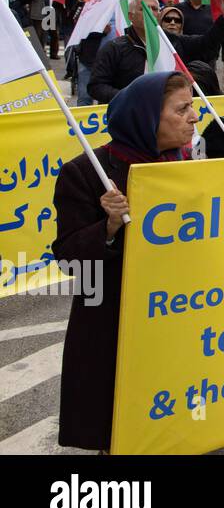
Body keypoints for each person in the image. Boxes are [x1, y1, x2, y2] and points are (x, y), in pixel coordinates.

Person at [52, 72, 199, 451]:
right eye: (182, 109)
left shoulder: (184, 164)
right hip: (115, 323)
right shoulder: (85, 173)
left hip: (177, 315)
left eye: (193, 106)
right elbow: (71, 262)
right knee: (120, 426)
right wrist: (110, 227)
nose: (194, 117)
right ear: (147, 117)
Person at [88, 0, 224, 103]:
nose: (150, 12)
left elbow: (206, 44)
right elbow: (96, 86)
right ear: (131, 16)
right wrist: (130, 97)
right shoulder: (114, 48)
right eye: (144, 8)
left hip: (167, 119)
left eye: (155, 9)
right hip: (131, 117)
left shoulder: (172, 42)